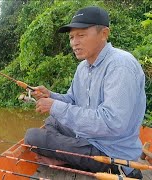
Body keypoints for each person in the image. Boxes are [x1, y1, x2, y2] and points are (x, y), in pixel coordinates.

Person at [24, 6, 146, 179]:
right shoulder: (83, 67)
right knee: (52, 120)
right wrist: (51, 96)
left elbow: (113, 123)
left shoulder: (120, 65)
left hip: (109, 150)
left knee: (33, 136)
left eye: (81, 35)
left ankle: (65, 155)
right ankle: (64, 154)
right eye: (71, 37)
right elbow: (72, 99)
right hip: (89, 135)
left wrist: (56, 106)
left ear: (104, 33)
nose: (74, 42)